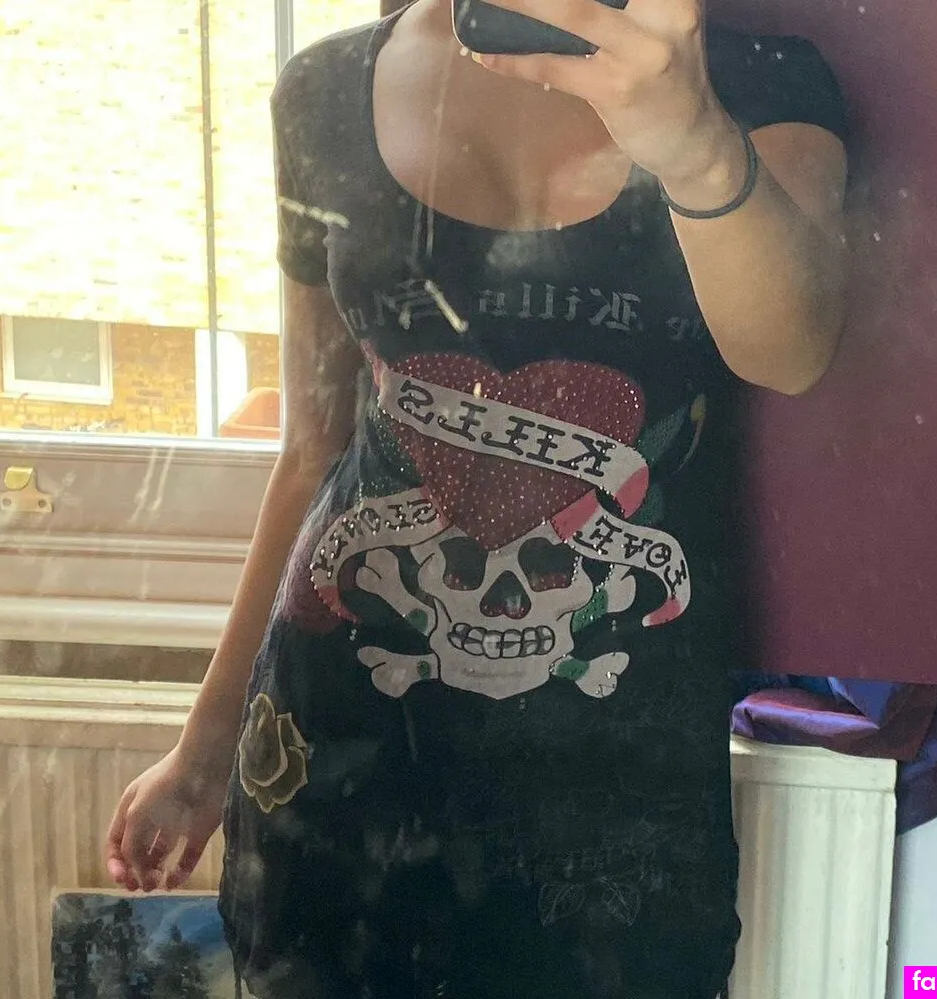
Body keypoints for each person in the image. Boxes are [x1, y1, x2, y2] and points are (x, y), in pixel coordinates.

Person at [106, 0, 848, 995]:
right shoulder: (325, 91)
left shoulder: (761, 84)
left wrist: (696, 149)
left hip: (611, 784)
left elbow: (791, 353)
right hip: (342, 759)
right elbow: (315, 446)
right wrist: (202, 750)